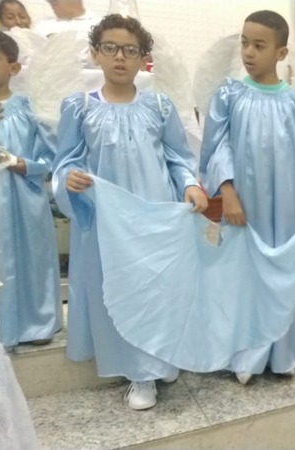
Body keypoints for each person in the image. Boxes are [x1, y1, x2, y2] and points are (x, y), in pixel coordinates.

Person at [52, 14, 207, 411]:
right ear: (95, 54)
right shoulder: (79, 107)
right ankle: (140, 372)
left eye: (129, 50)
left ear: (143, 59)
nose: (119, 57)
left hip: (155, 215)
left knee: (158, 288)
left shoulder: (159, 106)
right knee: (124, 289)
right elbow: (65, 161)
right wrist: (69, 178)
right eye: (110, 48)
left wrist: (189, 184)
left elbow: (178, 157)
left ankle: (163, 356)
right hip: (109, 221)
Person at [200, 10, 295, 385]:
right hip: (244, 205)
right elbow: (216, 147)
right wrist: (228, 191)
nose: (249, 52)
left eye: (259, 45)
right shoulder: (229, 95)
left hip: (285, 204)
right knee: (244, 272)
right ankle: (245, 353)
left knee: (283, 271)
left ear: (281, 53)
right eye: (244, 43)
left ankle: (282, 351)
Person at [0, 30, 61, 349]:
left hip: (23, 197)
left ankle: (35, 322)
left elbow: (51, 154)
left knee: (31, 259)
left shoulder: (29, 109)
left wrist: (23, 163)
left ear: (14, 67)